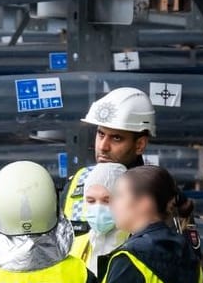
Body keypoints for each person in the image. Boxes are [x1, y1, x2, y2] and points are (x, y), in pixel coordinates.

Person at [61, 87, 156, 222]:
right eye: (101, 134)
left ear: (139, 145)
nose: (103, 147)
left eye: (116, 138)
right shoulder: (78, 181)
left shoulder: (156, 192)